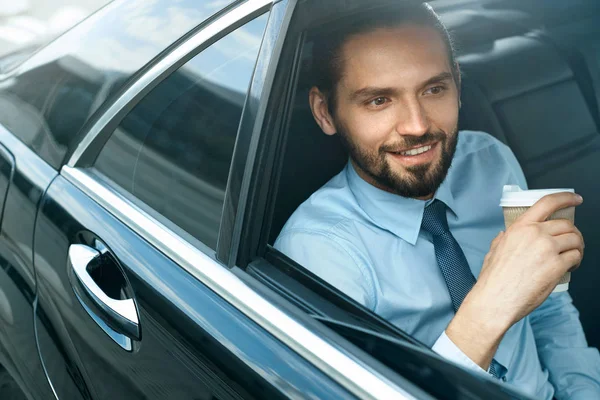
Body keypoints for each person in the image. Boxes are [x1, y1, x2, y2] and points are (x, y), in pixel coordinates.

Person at [274, 2, 600, 399]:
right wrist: (490, 307)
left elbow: (549, 309)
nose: (417, 126)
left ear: (457, 86)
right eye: (379, 100)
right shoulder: (320, 252)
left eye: (433, 89)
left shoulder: (489, 161)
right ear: (325, 112)